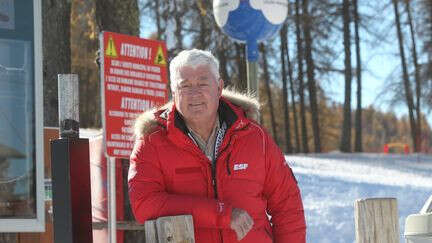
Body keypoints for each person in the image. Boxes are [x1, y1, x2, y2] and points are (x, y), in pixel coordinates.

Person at [128, 49, 306, 243]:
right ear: (173, 92)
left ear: (219, 88)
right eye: (185, 86)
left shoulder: (254, 136)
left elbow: (288, 207)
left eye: (203, 84)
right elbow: (144, 204)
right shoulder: (152, 140)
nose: (194, 94)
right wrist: (221, 213)